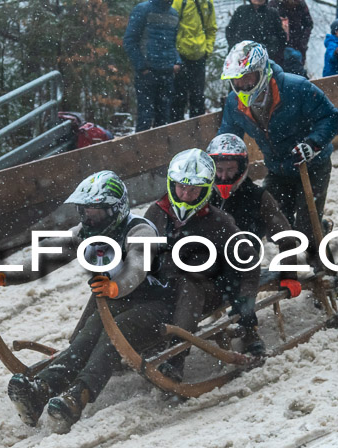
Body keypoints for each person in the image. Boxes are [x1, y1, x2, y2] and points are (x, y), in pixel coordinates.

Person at [0, 171, 170, 432]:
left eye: (96, 212)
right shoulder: (85, 234)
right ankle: (41, 389)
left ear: (115, 210)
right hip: (113, 302)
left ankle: (78, 396)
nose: (89, 218)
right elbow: (45, 257)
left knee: (111, 339)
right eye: (85, 211)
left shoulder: (140, 230)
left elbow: (137, 268)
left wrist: (115, 286)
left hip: (155, 306)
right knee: (85, 340)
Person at [218, 41, 338, 269]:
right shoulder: (234, 103)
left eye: (249, 78)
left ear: (262, 72)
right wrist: (219, 161)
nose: (243, 85)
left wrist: (312, 144)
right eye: (237, 80)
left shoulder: (296, 88)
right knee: (275, 224)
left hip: (312, 165)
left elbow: (331, 117)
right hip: (277, 168)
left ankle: (326, 271)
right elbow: (228, 135)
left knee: (308, 227)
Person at [144, 149, 263, 381]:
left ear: (205, 190)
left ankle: (175, 359)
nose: (186, 194)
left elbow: (249, 261)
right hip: (164, 285)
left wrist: (245, 301)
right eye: (181, 187)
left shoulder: (218, 221)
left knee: (189, 284)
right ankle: (80, 346)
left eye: (193, 189)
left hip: (204, 289)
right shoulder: (156, 212)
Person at [207, 133, 301, 296]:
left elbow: (286, 237)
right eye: (219, 170)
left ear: (241, 168)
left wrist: (289, 275)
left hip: (243, 268)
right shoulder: (204, 195)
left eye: (230, 170)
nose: (223, 176)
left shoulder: (258, 197)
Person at [123, 0, 182, 132]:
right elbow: (130, 41)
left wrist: (177, 61)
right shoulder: (143, 9)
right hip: (148, 75)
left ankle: (160, 152)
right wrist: (142, 67)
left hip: (167, 74)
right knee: (145, 119)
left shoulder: (173, 13)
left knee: (164, 121)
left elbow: (172, 43)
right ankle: (140, 152)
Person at [170, 0, 218, 122]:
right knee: (178, 98)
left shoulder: (207, 3)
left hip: (200, 56)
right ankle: (176, 131)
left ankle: (198, 131)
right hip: (181, 56)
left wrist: (207, 50)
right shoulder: (180, 2)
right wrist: (174, 54)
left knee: (197, 97)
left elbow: (211, 28)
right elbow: (171, 28)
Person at [225, 0, 288, 65]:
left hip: (266, 58)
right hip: (242, 57)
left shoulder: (272, 13)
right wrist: (236, 49)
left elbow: (281, 37)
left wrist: (271, 52)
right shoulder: (241, 11)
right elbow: (230, 32)